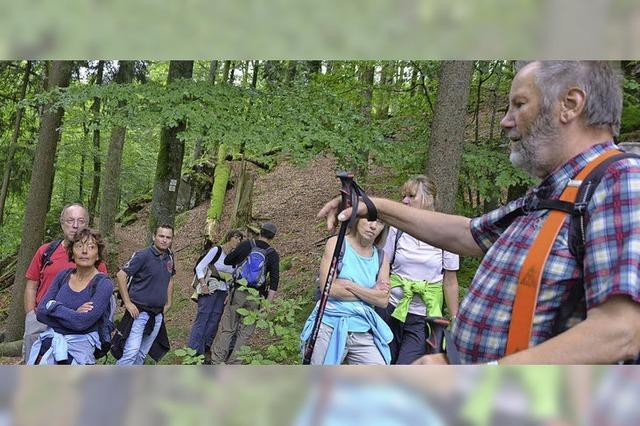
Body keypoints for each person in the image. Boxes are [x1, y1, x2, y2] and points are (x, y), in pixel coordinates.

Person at [319, 61, 640, 364]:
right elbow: (467, 233)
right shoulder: (555, 193)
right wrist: (373, 206)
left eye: (519, 104)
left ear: (570, 104)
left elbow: (621, 331)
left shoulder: (618, 180)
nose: (505, 120)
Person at [376, 176, 459, 364]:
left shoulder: (446, 232)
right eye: (404, 196)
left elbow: (450, 281)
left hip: (423, 317)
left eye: (411, 196)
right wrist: (383, 286)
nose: (404, 201)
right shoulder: (398, 228)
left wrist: (455, 318)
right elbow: (385, 261)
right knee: (383, 363)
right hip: (390, 308)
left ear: (428, 199)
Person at [22, 203, 108, 363]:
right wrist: (31, 315)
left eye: (81, 221)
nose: (75, 226)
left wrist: (69, 313)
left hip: (74, 330)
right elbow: (31, 285)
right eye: (70, 220)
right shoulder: (46, 251)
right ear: (62, 223)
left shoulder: (94, 259)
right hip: (41, 320)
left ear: (87, 225)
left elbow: (99, 296)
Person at [301, 218, 393, 365]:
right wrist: (370, 293)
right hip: (328, 325)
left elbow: (383, 300)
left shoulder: (382, 257)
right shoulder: (337, 244)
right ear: (357, 219)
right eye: (369, 219)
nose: (373, 226)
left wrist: (350, 286)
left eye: (381, 222)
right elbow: (328, 288)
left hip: (362, 328)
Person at [210, 221, 280, 364]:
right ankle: (235, 365)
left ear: (260, 231)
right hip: (256, 297)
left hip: (238, 292)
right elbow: (274, 280)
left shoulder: (247, 244)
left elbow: (229, 260)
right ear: (273, 237)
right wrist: (267, 304)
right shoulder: (272, 254)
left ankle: (216, 361)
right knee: (245, 333)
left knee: (228, 328)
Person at [114, 224, 175, 365]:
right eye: (161, 236)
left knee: (142, 354)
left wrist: (169, 303)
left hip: (158, 314)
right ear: (154, 237)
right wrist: (128, 303)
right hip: (139, 312)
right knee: (131, 352)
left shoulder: (169, 258)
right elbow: (121, 275)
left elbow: (170, 279)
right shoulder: (143, 255)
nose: (164, 240)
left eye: (168, 237)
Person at [187, 229, 244, 358]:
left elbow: (233, 277)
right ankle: (194, 351)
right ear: (229, 237)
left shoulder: (235, 257)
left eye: (240, 239)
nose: (238, 241)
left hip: (223, 291)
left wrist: (229, 293)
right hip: (209, 288)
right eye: (236, 237)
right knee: (203, 318)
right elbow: (200, 267)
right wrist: (203, 284)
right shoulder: (216, 251)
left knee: (214, 320)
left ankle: (206, 348)